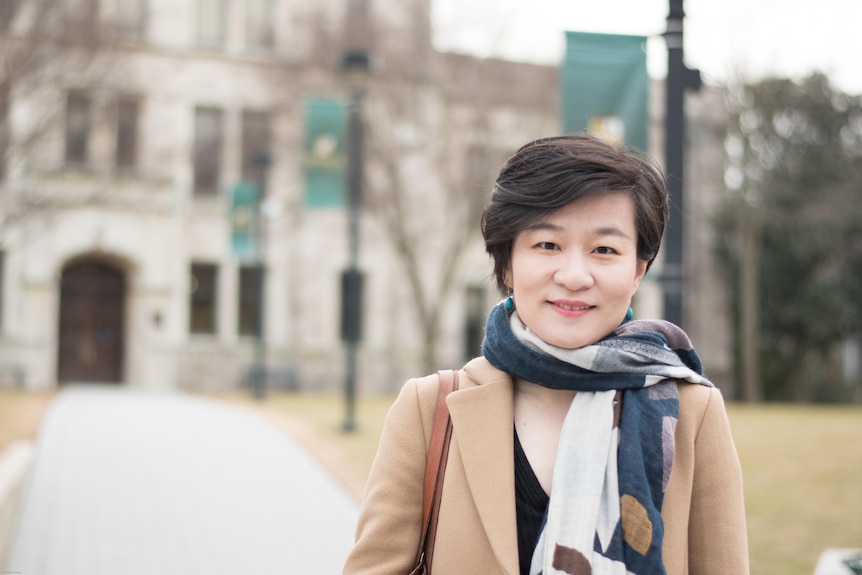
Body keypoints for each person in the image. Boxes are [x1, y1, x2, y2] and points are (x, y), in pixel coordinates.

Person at [343, 133, 749, 575]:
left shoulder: (692, 414)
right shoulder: (430, 409)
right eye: (547, 245)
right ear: (508, 263)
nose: (574, 276)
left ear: (637, 271)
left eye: (605, 250)